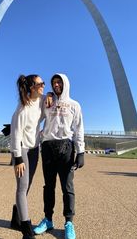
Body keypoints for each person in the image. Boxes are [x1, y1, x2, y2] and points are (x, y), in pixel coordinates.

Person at [34, 73, 85, 239]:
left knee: (67, 187)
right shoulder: (47, 102)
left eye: (59, 82)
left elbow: (78, 129)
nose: (56, 85)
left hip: (66, 148)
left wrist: (81, 151)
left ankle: (69, 222)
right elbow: (33, 114)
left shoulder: (74, 105)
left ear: (65, 84)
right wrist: (47, 96)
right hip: (48, 147)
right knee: (48, 186)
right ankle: (48, 219)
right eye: (54, 83)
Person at [10, 74, 46, 239]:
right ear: (32, 87)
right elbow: (15, 135)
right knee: (22, 187)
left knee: (28, 184)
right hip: (23, 149)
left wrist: (51, 96)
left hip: (35, 148)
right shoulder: (21, 110)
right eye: (41, 83)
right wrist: (17, 158)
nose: (44, 86)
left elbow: (52, 99)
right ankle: (26, 229)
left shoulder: (41, 100)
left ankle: (16, 215)